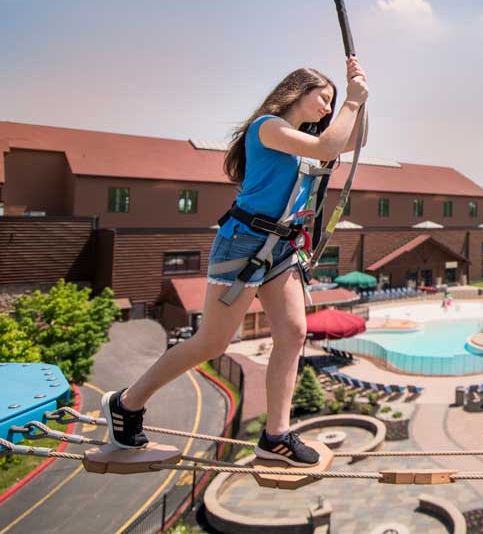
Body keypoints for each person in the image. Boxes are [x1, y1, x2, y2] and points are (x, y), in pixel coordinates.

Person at [101, 59, 369, 467]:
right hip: (244, 245)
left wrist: (360, 97)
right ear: (297, 91)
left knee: (294, 332)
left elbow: (354, 140)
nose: (327, 110)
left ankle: (276, 435)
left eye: (332, 105)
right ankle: (127, 402)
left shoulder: (302, 139)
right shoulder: (269, 127)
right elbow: (330, 147)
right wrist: (350, 100)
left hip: (281, 248)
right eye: (323, 99)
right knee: (211, 342)